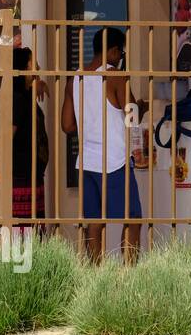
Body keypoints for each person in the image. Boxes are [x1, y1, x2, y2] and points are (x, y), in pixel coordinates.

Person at [62, 27, 148, 263]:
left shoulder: (74, 79)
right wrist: (142, 106)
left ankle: (95, 274)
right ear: (111, 50)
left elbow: (67, 125)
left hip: (87, 162)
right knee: (132, 218)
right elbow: (132, 116)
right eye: (121, 52)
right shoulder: (114, 76)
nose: (121, 57)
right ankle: (129, 274)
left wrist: (90, 119)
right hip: (114, 161)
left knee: (94, 222)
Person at [0, 47, 50, 232]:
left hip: (30, 175)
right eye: (33, 61)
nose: (37, 65)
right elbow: (8, 136)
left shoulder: (22, 94)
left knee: (31, 233)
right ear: (23, 67)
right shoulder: (17, 98)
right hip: (21, 177)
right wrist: (0, 170)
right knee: (23, 235)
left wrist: (38, 83)